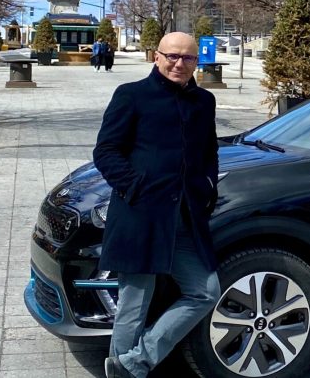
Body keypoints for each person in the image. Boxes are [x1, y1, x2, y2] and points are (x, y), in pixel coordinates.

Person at [92, 32, 221, 378]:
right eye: (172, 56)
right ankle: (125, 371)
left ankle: (134, 363)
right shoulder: (132, 95)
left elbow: (209, 152)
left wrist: (208, 187)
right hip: (140, 217)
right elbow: (105, 151)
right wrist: (135, 188)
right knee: (133, 305)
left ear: (197, 61)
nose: (179, 63)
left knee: (206, 291)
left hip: (185, 220)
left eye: (188, 58)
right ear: (157, 56)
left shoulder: (204, 101)